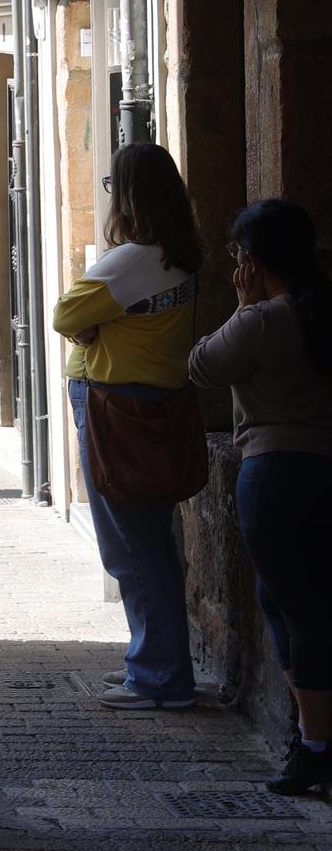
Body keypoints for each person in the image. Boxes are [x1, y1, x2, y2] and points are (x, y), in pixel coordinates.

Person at [51, 142, 202, 712]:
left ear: (130, 195)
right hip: (156, 404)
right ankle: (156, 663)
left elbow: (66, 314)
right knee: (150, 542)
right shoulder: (183, 255)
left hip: (117, 410)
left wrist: (95, 331)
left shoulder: (132, 260)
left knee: (131, 548)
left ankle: (160, 676)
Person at [188, 199, 332, 795]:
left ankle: (316, 745)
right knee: (296, 603)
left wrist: (244, 308)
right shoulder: (321, 311)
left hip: (274, 474)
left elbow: (201, 366)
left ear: (252, 261)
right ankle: (312, 734)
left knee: (296, 609)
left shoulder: (263, 321)